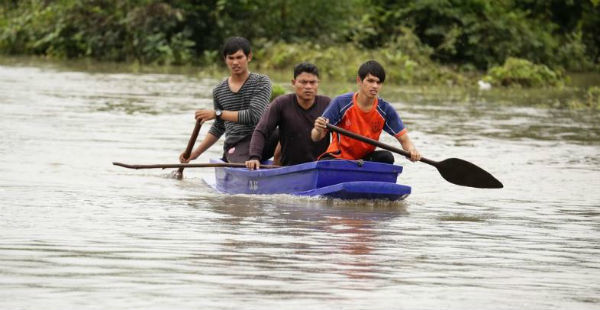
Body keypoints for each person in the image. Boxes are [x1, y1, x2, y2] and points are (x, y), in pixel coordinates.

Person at [179, 36, 276, 164]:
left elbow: (254, 116)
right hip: (237, 144)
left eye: (239, 57)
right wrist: (194, 154)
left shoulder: (261, 82)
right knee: (241, 164)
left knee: (288, 130)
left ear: (249, 57)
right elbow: (219, 127)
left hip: (261, 138)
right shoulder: (219, 90)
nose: (235, 62)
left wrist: (217, 113)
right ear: (225, 60)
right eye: (231, 58)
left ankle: (283, 163)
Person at [311, 60, 421, 164]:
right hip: (338, 158)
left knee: (387, 157)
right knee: (328, 163)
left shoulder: (385, 109)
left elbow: (404, 140)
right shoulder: (341, 103)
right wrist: (318, 129)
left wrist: (412, 151)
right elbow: (316, 137)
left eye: (378, 82)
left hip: (364, 160)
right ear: (359, 80)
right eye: (370, 81)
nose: (374, 86)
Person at [245, 62, 331, 170]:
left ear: (318, 83)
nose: (308, 87)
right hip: (289, 169)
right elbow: (261, 131)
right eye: (303, 82)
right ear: (293, 83)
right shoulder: (281, 103)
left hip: (319, 168)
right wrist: (254, 157)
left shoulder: (328, 104)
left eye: (312, 82)